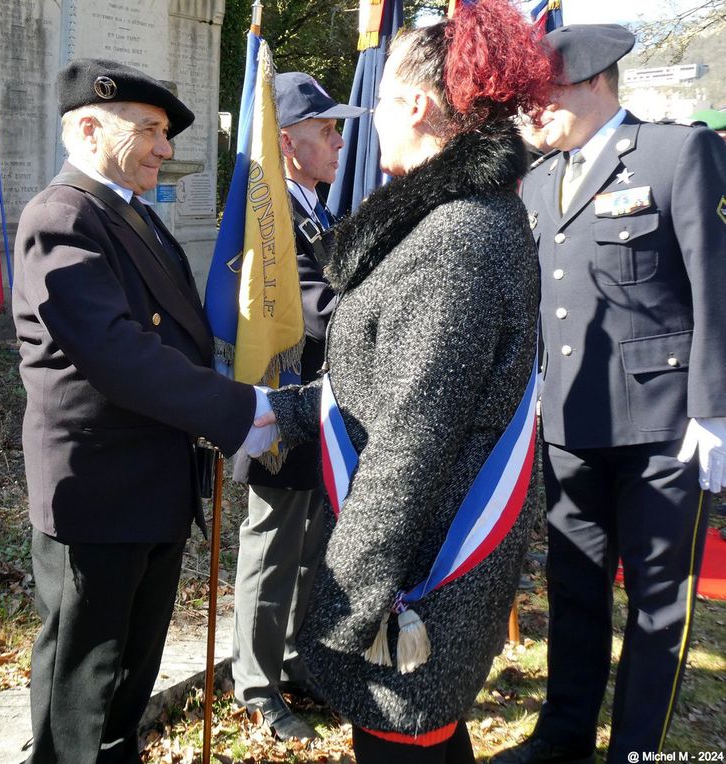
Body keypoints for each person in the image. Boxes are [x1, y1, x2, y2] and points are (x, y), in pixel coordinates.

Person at [258, 0, 551, 758]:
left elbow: (413, 437)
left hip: (416, 576)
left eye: (379, 99)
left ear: (417, 104)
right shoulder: (450, 219)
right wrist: (274, 416)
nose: (367, 121)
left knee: (405, 746)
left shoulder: (455, 236)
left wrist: (343, 606)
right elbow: (382, 381)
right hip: (410, 556)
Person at [11, 59, 277, 763]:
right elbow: (118, 352)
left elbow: (179, 340)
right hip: (98, 496)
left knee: (128, 683)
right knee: (83, 691)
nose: (166, 147)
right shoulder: (61, 216)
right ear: (91, 127)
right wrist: (241, 410)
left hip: (150, 485)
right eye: (152, 129)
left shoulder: (130, 215)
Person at [496, 25, 726, 764]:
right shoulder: (536, 179)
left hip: (665, 428)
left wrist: (715, 410)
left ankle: (638, 750)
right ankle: (562, 738)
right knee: (573, 591)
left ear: (596, 81)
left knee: (658, 606)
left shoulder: (674, 154)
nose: (530, 113)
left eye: (542, 95)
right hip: (568, 421)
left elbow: (715, 289)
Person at [229, 70, 362, 742]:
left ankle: (293, 661)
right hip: (282, 403)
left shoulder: (320, 211)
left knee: (315, 545)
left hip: (326, 409)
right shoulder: (272, 221)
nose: (339, 141)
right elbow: (318, 311)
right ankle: (255, 685)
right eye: (326, 130)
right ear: (287, 143)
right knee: (272, 548)